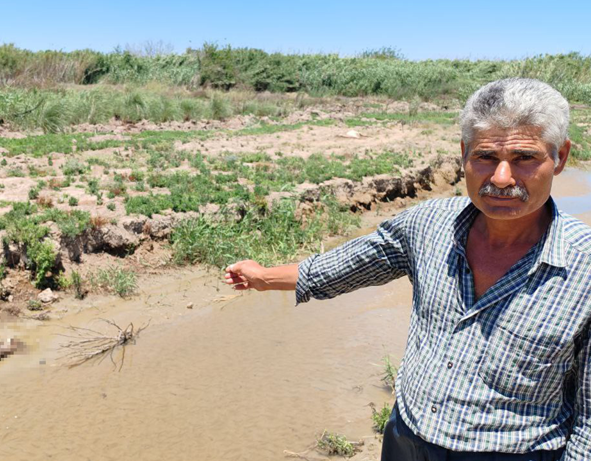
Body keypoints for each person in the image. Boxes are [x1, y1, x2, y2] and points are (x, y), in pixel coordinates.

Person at [224, 78, 591, 461]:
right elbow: (344, 266)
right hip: (407, 439)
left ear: (560, 157)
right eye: (485, 157)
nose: (501, 178)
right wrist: (263, 277)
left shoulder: (585, 267)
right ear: (464, 153)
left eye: (524, 158)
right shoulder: (428, 225)